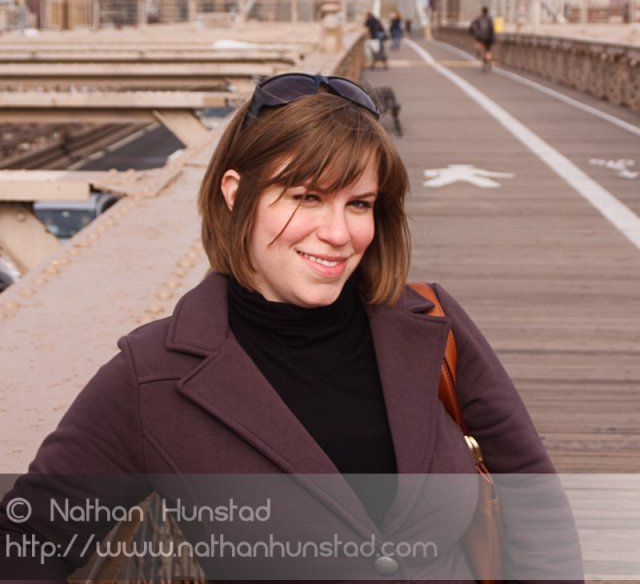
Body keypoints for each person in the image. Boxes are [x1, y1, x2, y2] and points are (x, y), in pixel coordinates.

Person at [0, 73, 582, 582]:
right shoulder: (154, 377)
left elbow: (532, 495)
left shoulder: (430, 323)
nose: (338, 233)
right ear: (236, 195)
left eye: (359, 204)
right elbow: (31, 536)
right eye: (307, 197)